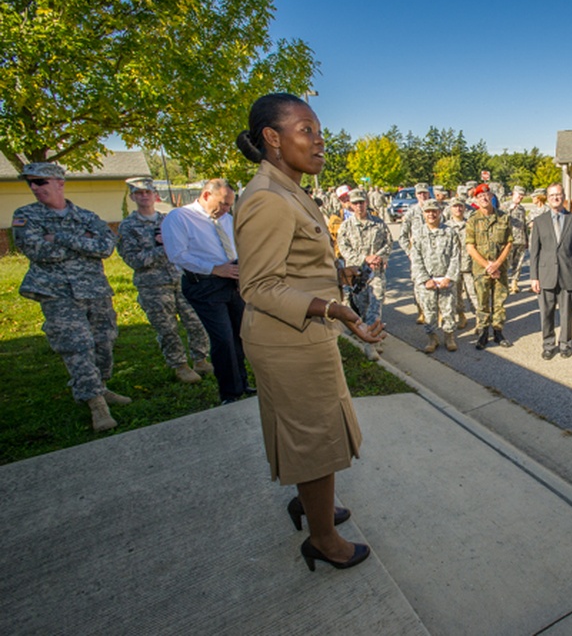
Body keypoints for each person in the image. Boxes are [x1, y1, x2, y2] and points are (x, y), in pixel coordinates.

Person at [234, 92, 385, 572]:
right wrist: (335, 310)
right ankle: (323, 539)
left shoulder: (290, 189)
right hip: (287, 341)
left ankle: (311, 504)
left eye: (320, 131)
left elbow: (295, 264)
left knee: (312, 433)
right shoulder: (267, 199)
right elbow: (257, 286)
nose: (320, 141)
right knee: (316, 440)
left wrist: (337, 278)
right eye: (306, 131)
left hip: (300, 334)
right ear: (272, 139)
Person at [12, 161, 127, 431]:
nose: (34, 188)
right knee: (76, 345)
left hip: (94, 290)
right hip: (57, 293)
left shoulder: (86, 215)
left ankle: (101, 386)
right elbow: (38, 251)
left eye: (40, 182)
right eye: (30, 183)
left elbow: (106, 246)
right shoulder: (26, 216)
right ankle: (96, 403)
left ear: (59, 183)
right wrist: (80, 241)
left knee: (104, 340)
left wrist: (59, 237)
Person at [161, 178, 253, 404]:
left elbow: (235, 247)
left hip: (231, 282)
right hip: (204, 285)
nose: (226, 209)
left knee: (239, 335)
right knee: (223, 339)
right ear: (205, 196)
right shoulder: (179, 218)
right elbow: (177, 255)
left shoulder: (227, 219)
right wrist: (214, 269)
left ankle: (241, 383)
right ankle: (229, 393)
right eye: (222, 204)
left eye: (229, 204)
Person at [117, 177, 212, 383]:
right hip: (153, 285)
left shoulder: (168, 220)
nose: (144, 196)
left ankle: (200, 359)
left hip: (180, 279)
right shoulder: (128, 226)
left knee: (196, 321)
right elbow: (134, 259)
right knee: (167, 328)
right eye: (139, 193)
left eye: (148, 192)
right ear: (132, 196)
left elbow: (188, 246)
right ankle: (180, 365)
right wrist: (165, 247)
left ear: (155, 195)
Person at [529, 183, 572, 359]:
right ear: (548, 197)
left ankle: (565, 344)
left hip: (567, 274)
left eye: (558, 195)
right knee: (546, 313)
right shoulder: (539, 221)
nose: (555, 198)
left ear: (563, 196)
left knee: (567, 313)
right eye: (552, 195)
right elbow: (534, 252)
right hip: (545, 274)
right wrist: (533, 277)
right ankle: (548, 344)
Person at [338, 188, 391, 361]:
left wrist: (379, 257)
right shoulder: (346, 226)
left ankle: (371, 345)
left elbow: (388, 243)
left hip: (376, 273)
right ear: (351, 205)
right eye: (355, 203)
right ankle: (371, 336)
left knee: (375, 307)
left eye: (362, 202)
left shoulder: (378, 223)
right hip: (357, 275)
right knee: (362, 309)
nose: (359, 206)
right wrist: (364, 258)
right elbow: (344, 249)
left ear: (367, 202)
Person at [466, 183, 513, 350]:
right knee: (483, 302)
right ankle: (483, 333)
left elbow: (509, 242)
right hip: (481, 270)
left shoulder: (504, 217)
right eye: (480, 196)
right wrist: (487, 266)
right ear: (476, 199)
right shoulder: (472, 220)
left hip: (500, 269)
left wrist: (498, 264)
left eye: (486, 195)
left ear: (491, 196)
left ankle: (498, 332)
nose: (484, 198)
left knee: (499, 302)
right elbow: (470, 247)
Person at [412, 199, 462, 353]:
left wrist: (449, 277)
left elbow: (456, 256)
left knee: (448, 311)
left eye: (434, 211)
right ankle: (432, 338)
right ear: (423, 214)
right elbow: (416, 258)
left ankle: (449, 337)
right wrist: (425, 279)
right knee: (429, 312)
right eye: (428, 211)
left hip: (446, 279)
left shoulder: (450, 232)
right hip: (427, 281)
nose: (431, 214)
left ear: (440, 212)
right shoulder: (418, 234)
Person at [399, 182, 432, 324]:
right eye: (420, 193)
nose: (422, 196)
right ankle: (421, 311)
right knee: (418, 284)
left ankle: (437, 312)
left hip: (435, 254)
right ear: (416, 195)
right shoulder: (412, 212)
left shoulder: (436, 209)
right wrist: (409, 252)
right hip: (417, 255)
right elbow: (403, 236)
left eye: (425, 193)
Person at [446, 197, 475, 329]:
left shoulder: (471, 224)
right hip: (453, 267)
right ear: (450, 209)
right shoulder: (446, 227)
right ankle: (461, 316)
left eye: (460, 206)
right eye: (455, 206)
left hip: (470, 266)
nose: (458, 209)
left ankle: (480, 321)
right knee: (456, 294)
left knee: (473, 293)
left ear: (464, 208)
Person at [505, 186, 528, 294]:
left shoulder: (522, 209)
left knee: (518, 264)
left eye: (522, 196)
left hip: (521, 240)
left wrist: (526, 239)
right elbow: (501, 221)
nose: (521, 197)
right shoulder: (505, 206)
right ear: (513, 194)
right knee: (506, 263)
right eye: (519, 195)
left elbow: (524, 225)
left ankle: (514, 284)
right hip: (509, 240)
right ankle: (504, 284)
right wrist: (510, 209)